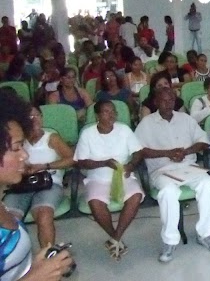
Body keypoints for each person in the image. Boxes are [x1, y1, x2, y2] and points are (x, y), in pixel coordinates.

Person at [136, 88, 210, 263]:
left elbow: (203, 140)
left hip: (188, 166)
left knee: (207, 184)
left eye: (171, 100)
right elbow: (139, 150)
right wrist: (168, 153)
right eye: (164, 100)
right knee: (168, 192)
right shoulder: (147, 123)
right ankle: (169, 241)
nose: (168, 104)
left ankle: (205, 234)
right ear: (156, 102)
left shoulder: (185, 119)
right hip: (162, 169)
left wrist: (187, 151)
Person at [0, 90, 75, 280]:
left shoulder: (51, 137)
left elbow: (72, 159)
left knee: (43, 214)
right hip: (23, 186)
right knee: (16, 211)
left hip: (47, 183)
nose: (24, 156)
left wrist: (37, 268)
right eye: (17, 148)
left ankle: (49, 253)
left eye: (37, 115)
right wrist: (35, 276)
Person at [74, 101, 144, 261]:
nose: (111, 115)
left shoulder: (124, 130)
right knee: (95, 202)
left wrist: (131, 165)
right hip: (97, 178)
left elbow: (138, 152)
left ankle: (115, 238)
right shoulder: (88, 134)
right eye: (106, 112)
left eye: (113, 111)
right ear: (97, 115)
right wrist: (103, 163)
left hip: (122, 176)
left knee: (136, 196)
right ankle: (116, 238)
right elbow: (81, 162)